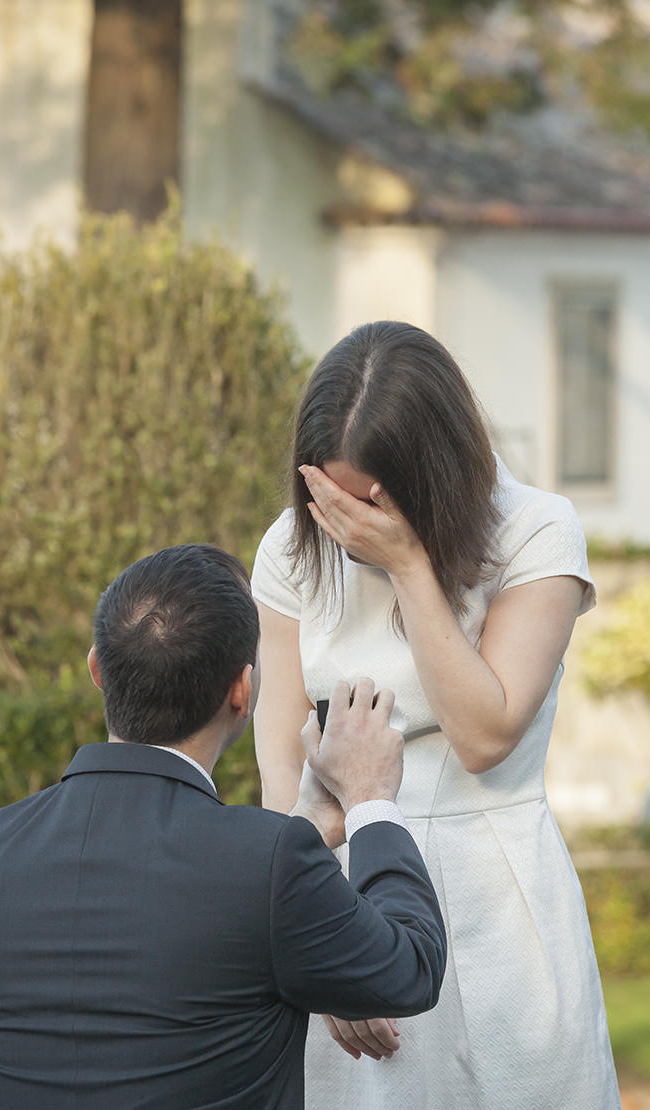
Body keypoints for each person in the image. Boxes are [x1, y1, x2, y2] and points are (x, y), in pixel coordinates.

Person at [252, 320, 619, 1106]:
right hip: (342, 888)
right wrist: (312, 942)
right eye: (329, 498)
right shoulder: (290, 547)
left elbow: (484, 733)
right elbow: (283, 766)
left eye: (371, 504)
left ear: (429, 475)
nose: (347, 526)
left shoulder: (534, 529)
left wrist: (408, 564)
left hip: (494, 888)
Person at [0, 544, 447, 1109]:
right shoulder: (266, 867)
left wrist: (304, 833)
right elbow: (411, 969)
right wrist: (370, 800)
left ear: (96, 669)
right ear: (242, 689)